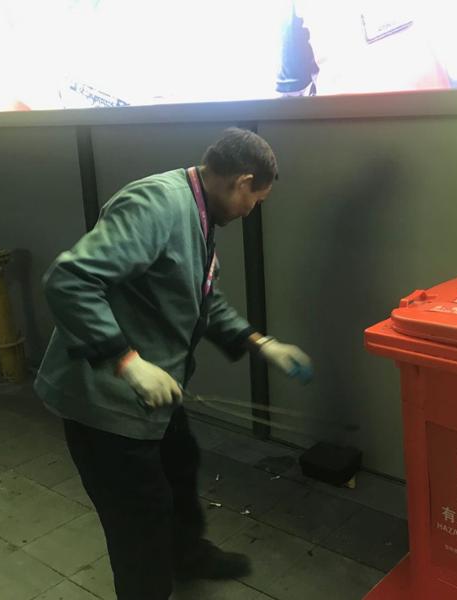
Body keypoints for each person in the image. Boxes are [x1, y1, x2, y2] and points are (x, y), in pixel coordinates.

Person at [34, 127, 312, 600]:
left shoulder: (199, 212)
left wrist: (259, 342)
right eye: (256, 200)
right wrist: (127, 362)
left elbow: (202, 298)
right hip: (105, 398)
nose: (251, 210)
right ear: (243, 181)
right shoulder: (156, 205)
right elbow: (69, 280)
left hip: (155, 393)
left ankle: (186, 555)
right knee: (139, 520)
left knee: (181, 466)